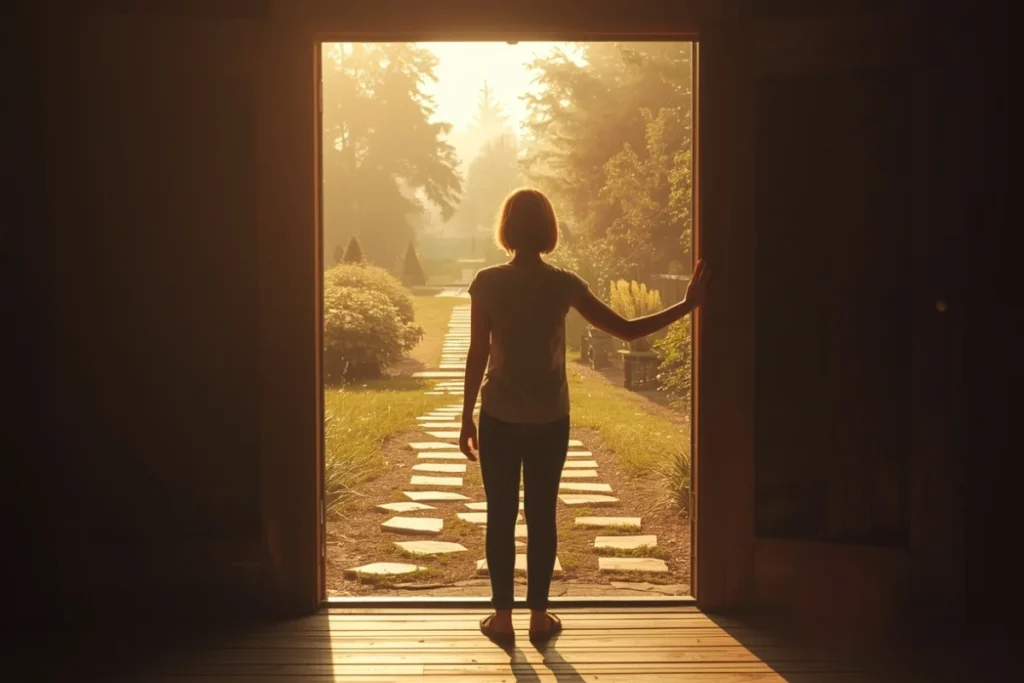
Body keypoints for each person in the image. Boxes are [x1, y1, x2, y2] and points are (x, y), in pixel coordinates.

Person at [458, 188, 710, 645]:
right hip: (549, 420)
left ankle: (501, 619)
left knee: (500, 516)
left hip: (498, 414)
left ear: (507, 229)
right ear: (548, 230)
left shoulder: (488, 281)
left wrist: (465, 417)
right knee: (541, 516)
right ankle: (538, 617)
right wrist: (688, 305)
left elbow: (477, 353)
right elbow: (628, 330)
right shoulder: (563, 283)